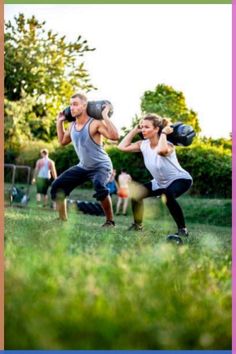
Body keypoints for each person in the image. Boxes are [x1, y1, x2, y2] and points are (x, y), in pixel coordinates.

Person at [118, 113, 192, 241]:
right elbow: (121, 147)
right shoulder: (143, 144)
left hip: (180, 179)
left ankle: (182, 229)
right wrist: (135, 130)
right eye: (142, 127)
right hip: (159, 182)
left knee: (168, 194)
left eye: (146, 127)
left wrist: (163, 133)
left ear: (157, 129)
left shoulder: (168, 145)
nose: (143, 130)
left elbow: (161, 151)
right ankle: (137, 225)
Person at [51, 93, 119, 226]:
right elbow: (62, 142)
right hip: (83, 166)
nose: (71, 108)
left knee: (100, 186)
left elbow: (115, 136)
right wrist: (59, 122)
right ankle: (62, 219)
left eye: (75, 104)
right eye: (70, 104)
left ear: (84, 105)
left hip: (101, 166)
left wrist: (105, 115)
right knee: (57, 186)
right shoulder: (71, 126)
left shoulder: (95, 123)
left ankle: (110, 221)